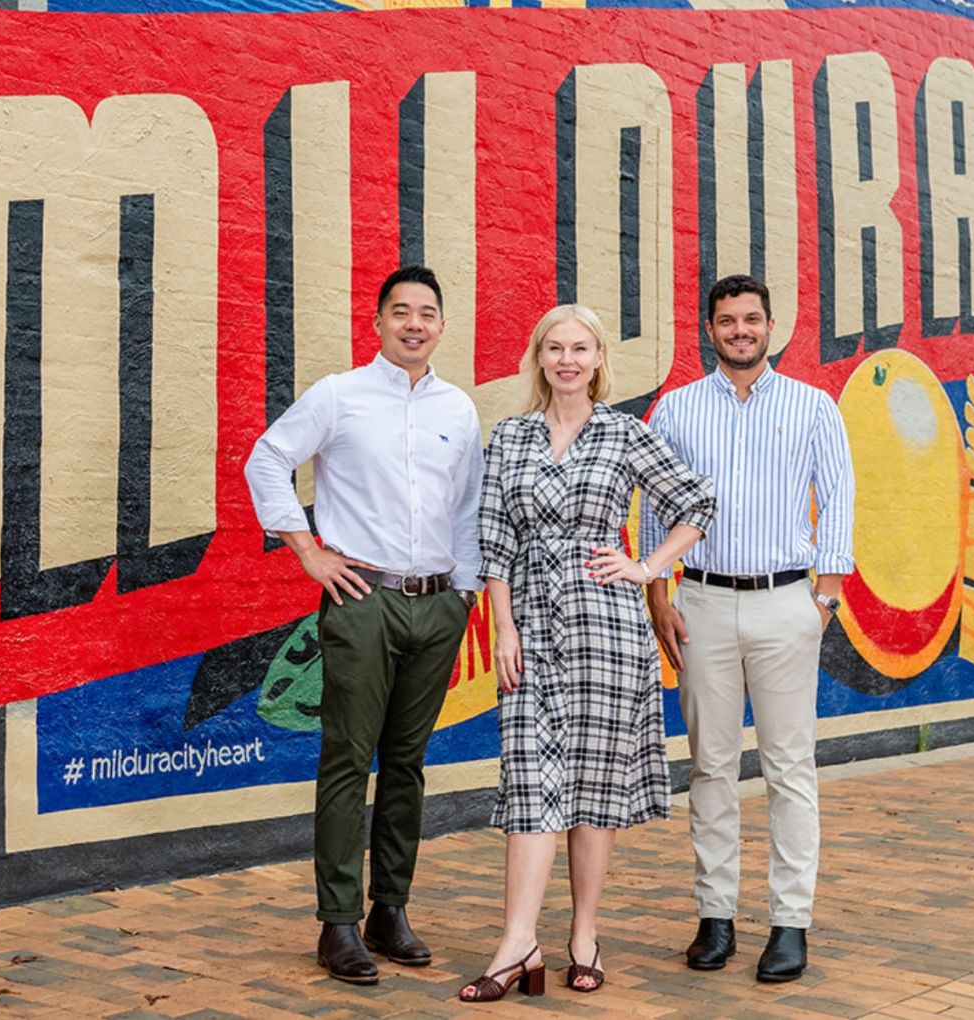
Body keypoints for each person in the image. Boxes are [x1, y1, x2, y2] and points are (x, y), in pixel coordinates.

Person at [458, 305, 714, 1002]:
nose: (567, 359)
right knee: (531, 782)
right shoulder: (509, 437)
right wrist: (502, 628)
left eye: (580, 348)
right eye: (555, 348)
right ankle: (518, 941)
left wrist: (647, 565)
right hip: (531, 629)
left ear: (600, 359)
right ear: (539, 358)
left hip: (605, 627)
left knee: (591, 790)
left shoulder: (625, 433)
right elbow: (495, 541)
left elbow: (697, 501)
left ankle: (583, 935)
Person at [244, 265, 483, 986]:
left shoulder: (459, 409)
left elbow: (467, 508)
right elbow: (267, 460)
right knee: (349, 760)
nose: (415, 323)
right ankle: (338, 923)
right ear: (377, 322)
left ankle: (390, 910)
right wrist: (309, 552)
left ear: (443, 326)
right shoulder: (339, 396)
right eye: (401, 311)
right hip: (363, 600)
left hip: (439, 604)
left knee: (407, 762)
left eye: (428, 313)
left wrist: (464, 597)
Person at [641, 274, 854, 984]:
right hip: (700, 604)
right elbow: (651, 502)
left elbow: (840, 498)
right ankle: (716, 916)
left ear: (770, 327)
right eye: (727, 320)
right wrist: (658, 594)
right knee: (710, 766)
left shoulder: (813, 406)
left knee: (790, 769)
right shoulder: (675, 410)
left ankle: (790, 923)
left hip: (784, 602)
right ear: (710, 328)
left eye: (751, 319)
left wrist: (823, 600)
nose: (740, 330)